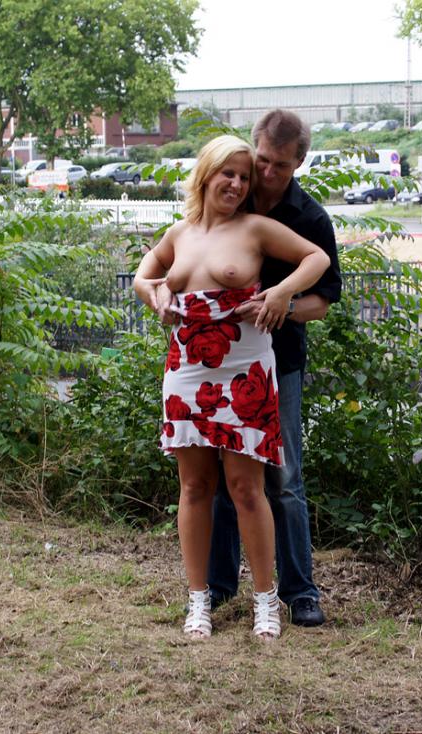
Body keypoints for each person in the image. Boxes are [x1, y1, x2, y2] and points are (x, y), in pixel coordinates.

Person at [132, 134, 330, 640]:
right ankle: (199, 600)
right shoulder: (178, 234)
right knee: (195, 488)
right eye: (229, 174)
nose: (239, 184)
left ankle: (266, 601)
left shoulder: (256, 228)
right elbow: (142, 278)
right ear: (206, 174)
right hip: (186, 371)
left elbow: (317, 260)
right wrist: (158, 298)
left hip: (245, 373)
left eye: (245, 177)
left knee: (247, 489)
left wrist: (281, 293)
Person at [207, 109, 342, 627]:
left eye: (279, 166)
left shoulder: (311, 219)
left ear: (299, 162)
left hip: (279, 363)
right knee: (223, 480)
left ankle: (300, 592)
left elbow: (323, 301)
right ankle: (218, 587)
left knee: (283, 479)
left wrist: (282, 302)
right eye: (261, 160)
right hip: (220, 361)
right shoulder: (230, 197)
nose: (265, 173)